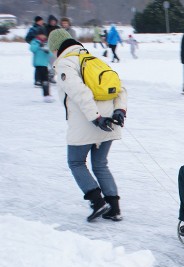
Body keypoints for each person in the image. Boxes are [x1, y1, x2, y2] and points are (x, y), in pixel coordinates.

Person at [48, 28, 128, 222]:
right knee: (100, 164)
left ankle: (97, 202)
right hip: (109, 121)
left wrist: (96, 117)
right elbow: (120, 88)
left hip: (88, 122)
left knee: (75, 162)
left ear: (57, 48)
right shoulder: (94, 60)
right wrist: (120, 110)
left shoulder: (65, 64)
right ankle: (114, 208)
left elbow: (79, 92)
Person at [29, 34, 53, 102]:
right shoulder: (35, 41)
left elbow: (51, 54)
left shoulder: (48, 43)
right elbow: (32, 49)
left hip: (44, 64)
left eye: (44, 35)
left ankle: (47, 95)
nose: (42, 37)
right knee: (39, 73)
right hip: (38, 63)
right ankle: (37, 81)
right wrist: (39, 45)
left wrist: (47, 51)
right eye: (41, 35)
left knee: (45, 80)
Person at [25, 16, 46, 86]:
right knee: (38, 65)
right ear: (37, 21)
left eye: (42, 21)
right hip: (36, 47)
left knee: (44, 65)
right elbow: (27, 38)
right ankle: (38, 80)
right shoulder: (33, 29)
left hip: (44, 48)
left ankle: (45, 79)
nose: (41, 22)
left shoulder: (44, 27)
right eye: (40, 21)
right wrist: (34, 42)